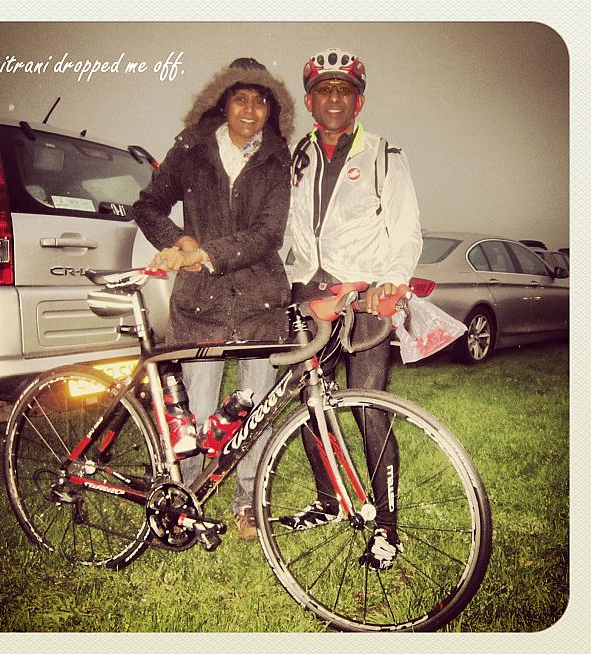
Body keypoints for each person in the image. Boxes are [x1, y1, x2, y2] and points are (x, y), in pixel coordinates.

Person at [133, 57, 294, 540]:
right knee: (199, 415)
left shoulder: (277, 157)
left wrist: (206, 254)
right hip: (200, 305)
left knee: (256, 415)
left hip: (260, 302)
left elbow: (269, 233)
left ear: (271, 110)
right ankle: (190, 499)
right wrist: (179, 239)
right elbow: (147, 205)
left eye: (260, 101)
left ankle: (248, 502)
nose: (250, 109)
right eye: (240, 98)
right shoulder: (191, 148)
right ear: (222, 103)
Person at [283, 48, 422, 569]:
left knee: (368, 409)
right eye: (324, 90)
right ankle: (328, 502)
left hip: (364, 299)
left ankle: (387, 528)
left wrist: (392, 281)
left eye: (344, 90)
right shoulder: (296, 156)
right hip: (311, 296)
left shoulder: (384, 154)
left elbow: (406, 230)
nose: (334, 98)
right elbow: (285, 230)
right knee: (310, 404)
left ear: (358, 102)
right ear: (310, 101)